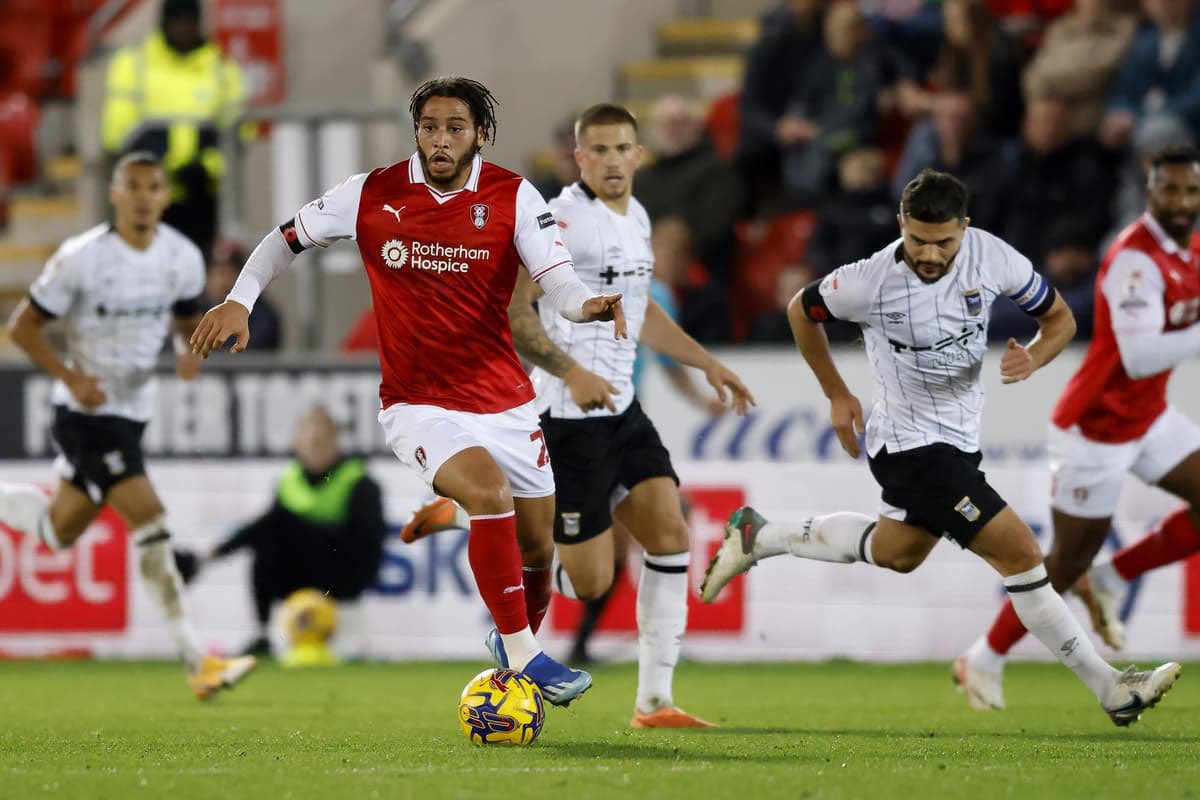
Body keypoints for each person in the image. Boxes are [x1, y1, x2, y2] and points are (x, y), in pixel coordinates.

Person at [189, 76, 625, 706]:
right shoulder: (370, 194)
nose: (440, 140)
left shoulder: (513, 197)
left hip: (504, 401)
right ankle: (529, 658)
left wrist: (588, 306)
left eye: (455, 128)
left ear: (481, 134)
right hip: (417, 403)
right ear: (415, 131)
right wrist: (239, 299)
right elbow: (282, 242)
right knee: (488, 492)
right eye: (429, 127)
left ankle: (514, 655)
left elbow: (558, 281)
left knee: (537, 548)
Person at [701, 169, 1183, 727]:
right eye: (918, 239)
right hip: (908, 447)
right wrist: (837, 393)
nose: (930, 252)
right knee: (1022, 554)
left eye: (944, 241)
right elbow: (799, 311)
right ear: (902, 224)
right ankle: (1112, 687)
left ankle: (761, 534)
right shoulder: (867, 280)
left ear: (966, 229)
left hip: (957, 440)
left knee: (898, 553)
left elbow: (1059, 319)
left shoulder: (993, 257)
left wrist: (1035, 354)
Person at [400, 103, 754, 727]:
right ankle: (462, 518)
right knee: (590, 583)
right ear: (580, 157)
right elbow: (517, 313)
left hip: (624, 411)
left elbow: (642, 313)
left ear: (639, 156)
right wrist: (572, 372)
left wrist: (707, 363)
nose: (613, 161)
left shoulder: (639, 218)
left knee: (670, 538)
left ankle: (654, 702)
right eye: (600, 151)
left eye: (623, 149)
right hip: (566, 419)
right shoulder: (557, 217)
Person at [0, 151, 256, 699]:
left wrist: (192, 350)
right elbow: (22, 328)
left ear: (164, 196)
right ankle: (198, 662)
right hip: (86, 413)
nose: (142, 196)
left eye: (152, 187)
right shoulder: (81, 258)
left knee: (58, 529)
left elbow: (188, 319)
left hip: (132, 413)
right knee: (150, 518)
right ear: (115, 193)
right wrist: (70, 377)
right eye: (132, 186)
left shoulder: (182, 256)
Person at [957, 145, 1200, 704]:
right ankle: (982, 658)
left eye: (1191, 190)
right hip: (1096, 426)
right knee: (1066, 560)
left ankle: (1114, 578)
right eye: (1171, 189)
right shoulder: (1134, 257)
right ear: (1150, 191)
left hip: (1149, 417)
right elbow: (1139, 358)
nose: (1182, 202)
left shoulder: (1189, 251)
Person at [178, 406, 385, 658]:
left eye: (320, 442)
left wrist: (307, 530)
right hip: (298, 578)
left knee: (278, 522)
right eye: (307, 442)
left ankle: (205, 559)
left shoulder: (359, 482)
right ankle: (264, 632)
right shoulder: (289, 479)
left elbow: (367, 547)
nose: (313, 449)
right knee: (268, 537)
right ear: (296, 444)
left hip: (340, 579)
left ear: (335, 442)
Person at [101, 0, 247, 258]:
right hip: (147, 194)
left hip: (204, 195)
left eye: (188, 21)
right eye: (176, 21)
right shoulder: (134, 65)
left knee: (199, 274)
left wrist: (206, 166)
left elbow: (239, 133)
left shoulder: (222, 68)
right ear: (164, 23)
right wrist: (159, 161)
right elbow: (116, 132)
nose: (182, 28)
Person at [205, 241, 283, 351]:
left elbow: (250, 353)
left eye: (229, 273)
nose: (222, 282)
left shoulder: (262, 315)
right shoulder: (196, 309)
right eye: (217, 274)